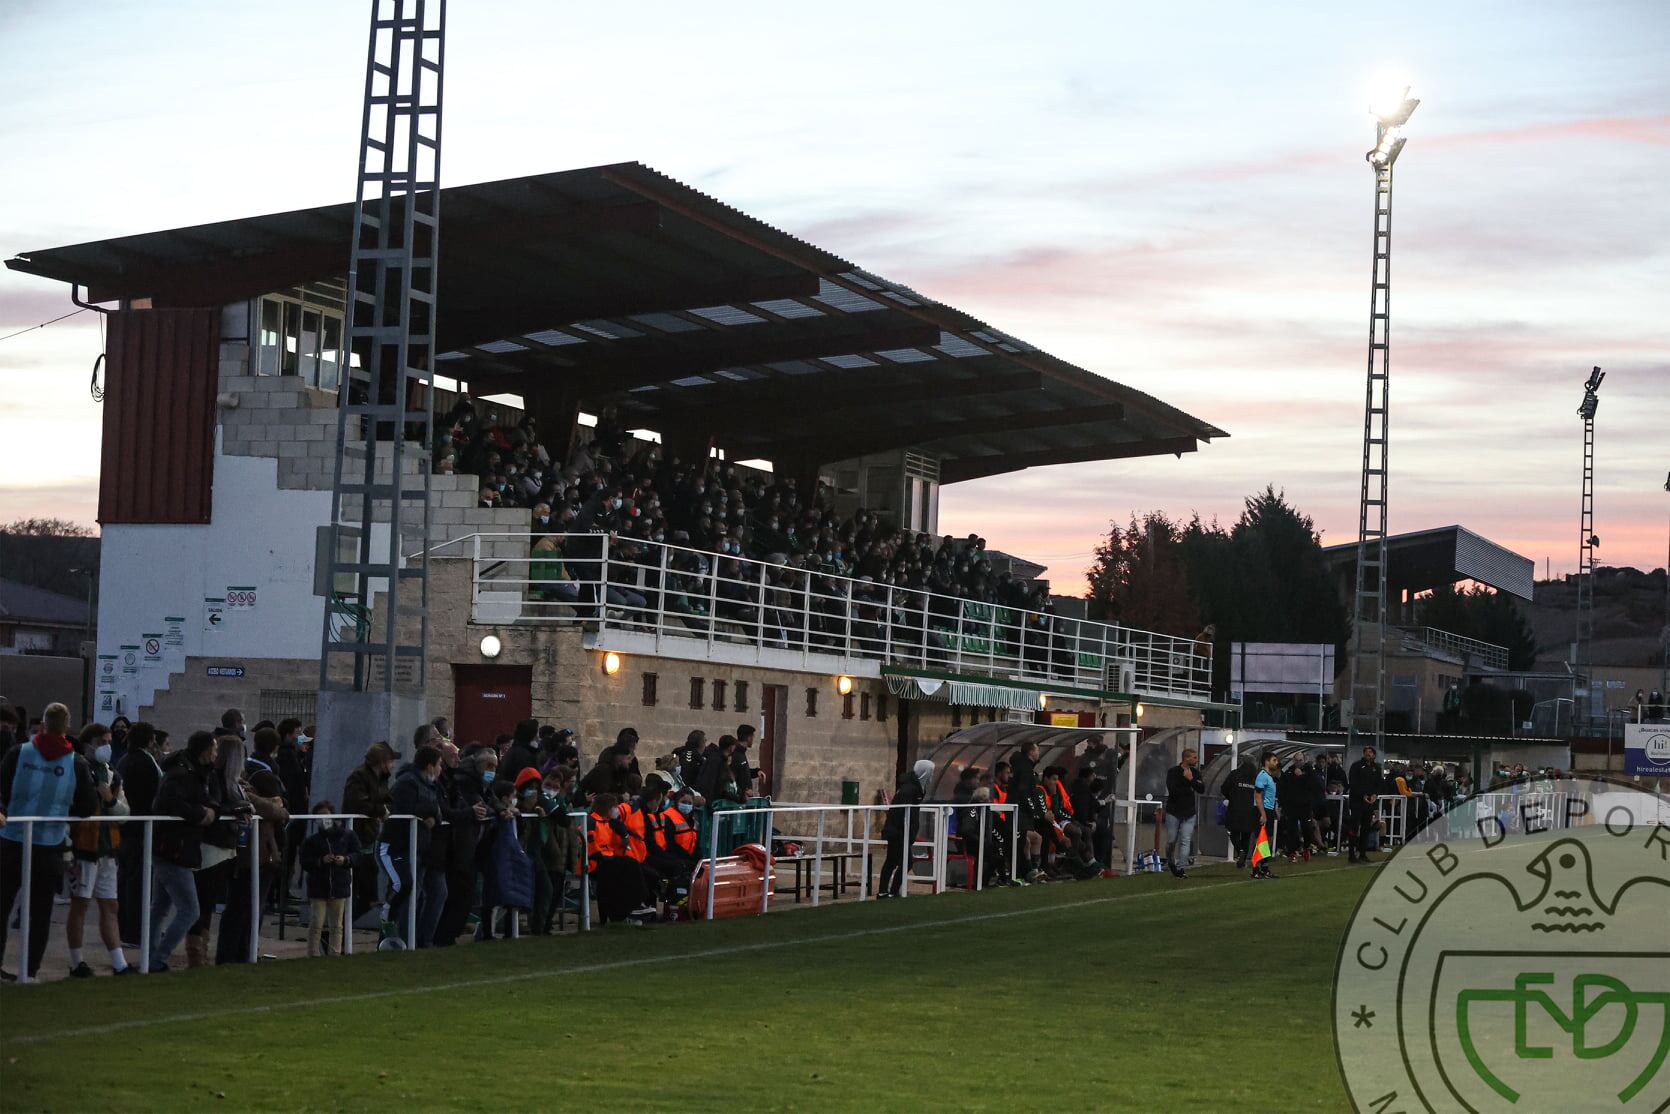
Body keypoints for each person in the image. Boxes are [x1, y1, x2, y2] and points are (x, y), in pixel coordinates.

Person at [0, 703, 98, 981]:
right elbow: (88, 806)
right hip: (49, 843)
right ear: (67, 727)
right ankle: (29, 972)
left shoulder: (19, 752)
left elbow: (2, 788)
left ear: (42, 723)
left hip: (11, 838)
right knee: (39, 912)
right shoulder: (75, 762)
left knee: (3, 906)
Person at [146, 731, 219, 973]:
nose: (216, 754)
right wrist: (201, 814)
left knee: (160, 907)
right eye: (214, 749)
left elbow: (207, 801)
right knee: (190, 910)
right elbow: (169, 803)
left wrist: (208, 810)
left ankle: (151, 957)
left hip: (172, 847)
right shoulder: (181, 775)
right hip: (174, 849)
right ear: (205, 751)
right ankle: (157, 958)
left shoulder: (191, 773)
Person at [66, 724, 133, 976]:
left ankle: (119, 963)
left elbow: (125, 813)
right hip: (84, 845)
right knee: (80, 904)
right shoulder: (77, 767)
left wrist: (110, 800)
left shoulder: (112, 773)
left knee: (110, 905)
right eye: (102, 740)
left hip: (107, 846)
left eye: (109, 740)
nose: (107, 745)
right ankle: (77, 962)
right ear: (89, 743)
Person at [379, 745, 447, 948]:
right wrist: (430, 811)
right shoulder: (406, 783)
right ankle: (394, 936)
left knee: (429, 892)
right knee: (404, 887)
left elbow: (438, 811)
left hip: (420, 847)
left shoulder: (431, 785)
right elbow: (407, 810)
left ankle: (415, 940)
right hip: (398, 846)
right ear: (429, 766)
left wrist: (433, 814)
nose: (440, 769)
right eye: (439, 765)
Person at [432, 747, 494, 946]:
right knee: (455, 895)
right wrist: (472, 812)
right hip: (457, 847)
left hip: (466, 847)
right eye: (489, 766)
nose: (457, 759)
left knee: (462, 895)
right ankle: (441, 936)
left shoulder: (460, 781)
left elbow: (489, 803)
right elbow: (456, 810)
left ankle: (446, 935)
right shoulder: (463, 781)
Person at [115, 721, 163, 945]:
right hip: (140, 827)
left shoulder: (125, 760)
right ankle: (135, 931)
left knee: (126, 880)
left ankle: (124, 928)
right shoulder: (144, 761)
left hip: (127, 827)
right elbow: (155, 792)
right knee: (137, 882)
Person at [342, 741, 398, 923]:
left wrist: (384, 808)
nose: (392, 765)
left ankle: (340, 930)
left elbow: (389, 800)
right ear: (382, 762)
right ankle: (338, 931)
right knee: (362, 894)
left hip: (368, 839)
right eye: (390, 761)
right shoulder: (358, 776)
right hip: (355, 838)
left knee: (367, 896)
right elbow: (358, 803)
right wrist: (380, 811)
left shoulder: (381, 779)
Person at [299, 800, 361, 957]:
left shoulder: (347, 835)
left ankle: (335, 953)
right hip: (318, 887)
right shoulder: (311, 841)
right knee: (316, 923)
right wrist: (320, 861)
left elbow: (358, 854)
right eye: (319, 816)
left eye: (326, 815)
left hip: (339, 885)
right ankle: (313, 953)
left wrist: (345, 860)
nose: (323, 819)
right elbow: (305, 862)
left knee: (337, 925)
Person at [879, 760, 933, 898]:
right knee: (905, 862)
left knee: (891, 861)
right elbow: (899, 812)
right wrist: (902, 832)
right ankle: (891, 891)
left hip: (901, 831)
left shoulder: (916, 787)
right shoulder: (909, 789)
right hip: (898, 831)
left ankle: (884, 892)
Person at [1163, 747, 1203, 879]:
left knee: (1185, 840)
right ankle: (1170, 861)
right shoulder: (1173, 772)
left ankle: (1181, 868)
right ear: (1186, 758)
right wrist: (1190, 787)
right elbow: (1173, 790)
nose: (1197, 760)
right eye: (1194, 757)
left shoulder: (1195, 773)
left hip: (1189, 812)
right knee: (1172, 839)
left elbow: (1201, 789)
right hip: (1173, 811)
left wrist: (1191, 780)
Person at [1346, 746, 1383, 865]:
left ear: (1374, 755)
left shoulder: (1376, 768)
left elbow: (1379, 783)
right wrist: (1363, 795)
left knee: (1366, 828)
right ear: (1363, 754)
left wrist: (1375, 795)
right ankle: (1351, 855)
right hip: (1357, 802)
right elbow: (1353, 783)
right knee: (1354, 827)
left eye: (1371, 752)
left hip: (1369, 803)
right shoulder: (1356, 766)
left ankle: (1363, 854)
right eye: (1367, 752)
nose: (1369, 754)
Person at [1223, 754, 1259, 869]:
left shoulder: (1235, 774)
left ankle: (1240, 851)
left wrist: (1231, 797)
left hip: (1235, 807)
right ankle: (1242, 860)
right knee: (1246, 835)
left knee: (1233, 832)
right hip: (1250, 809)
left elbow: (1224, 788)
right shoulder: (1255, 776)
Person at [1251, 751, 1280, 880]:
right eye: (1274, 760)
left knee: (1268, 840)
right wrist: (1263, 814)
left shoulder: (1269, 777)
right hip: (1262, 811)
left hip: (1268, 810)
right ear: (1267, 761)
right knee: (1261, 840)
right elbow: (1257, 796)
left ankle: (1264, 868)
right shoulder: (1262, 776)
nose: (1276, 762)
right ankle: (1256, 868)